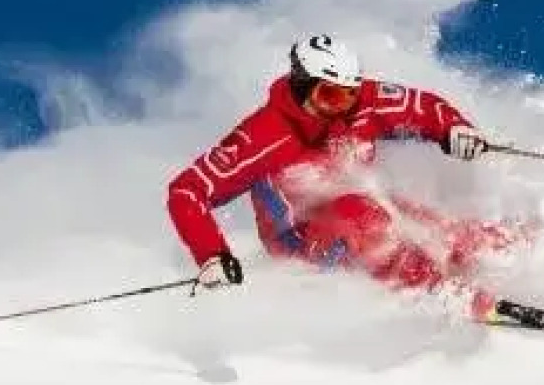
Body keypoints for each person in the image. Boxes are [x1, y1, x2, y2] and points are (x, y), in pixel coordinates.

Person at [165, 33, 522, 316]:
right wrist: (212, 255)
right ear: (303, 85)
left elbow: (421, 106)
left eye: (350, 96)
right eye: (332, 96)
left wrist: (455, 129)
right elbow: (187, 191)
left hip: (369, 213)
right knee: (361, 215)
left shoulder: (359, 105)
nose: (343, 109)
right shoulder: (264, 136)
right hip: (300, 242)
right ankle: (440, 292)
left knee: (442, 230)